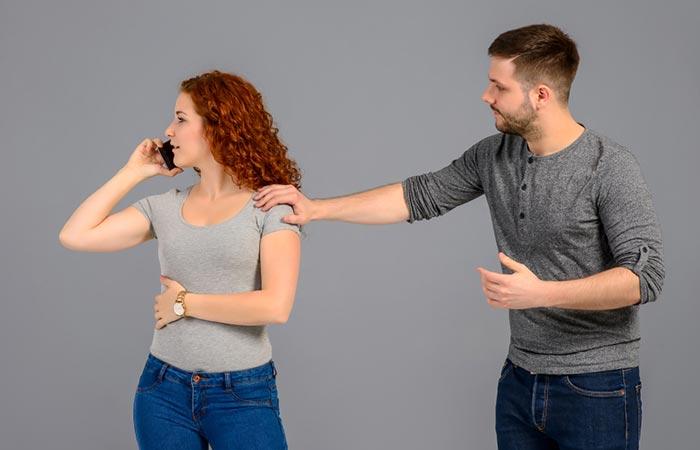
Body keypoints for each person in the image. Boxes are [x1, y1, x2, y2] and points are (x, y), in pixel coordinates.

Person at [253, 24, 665, 450]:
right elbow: (419, 196)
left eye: (498, 87)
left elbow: (646, 277)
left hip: (596, 386)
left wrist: (542, 293)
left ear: (540, 95)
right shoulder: (494, 154)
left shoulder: (609, 167)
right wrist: (317, 208)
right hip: (520, 382)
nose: (486, 96)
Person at [59, 70, 301, 450]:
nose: (168, 131)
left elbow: (276, 305)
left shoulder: (270, 206)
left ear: (218, 126)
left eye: (181, 119)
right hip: (163, 391)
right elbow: (74, 235)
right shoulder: (165, 208)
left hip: (241, 394)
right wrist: (134, 172)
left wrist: (184, 304)